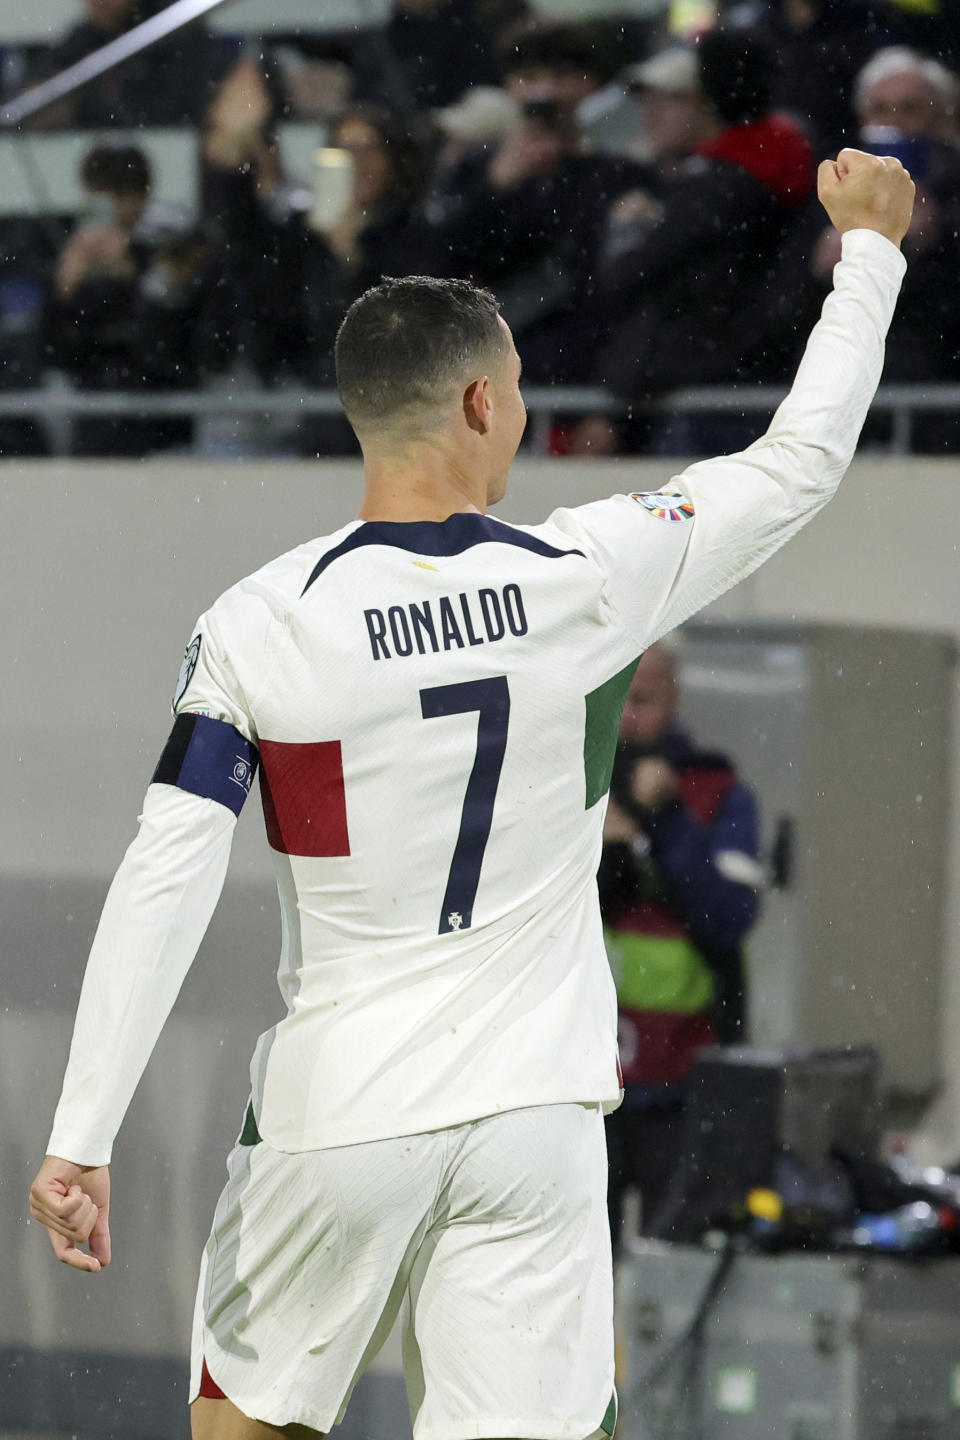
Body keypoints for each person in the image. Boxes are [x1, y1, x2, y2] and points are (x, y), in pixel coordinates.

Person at [30, 148, 913, 1440]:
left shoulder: (263, 622)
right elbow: (799, 463)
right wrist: (872, 254)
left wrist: (81, 1131)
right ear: (486, 403)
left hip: (339, 1110)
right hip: (533, 1122)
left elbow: (168, 873)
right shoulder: (588, 575)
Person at [599, 644, 762, 1248]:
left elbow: (729, 915)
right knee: (580, 1280)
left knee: (684, 1275)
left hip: (689, 1083)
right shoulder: (579, 786)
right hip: (592, 1084)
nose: (627, 716)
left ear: (674, 699)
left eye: (642, 699)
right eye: (617, 699)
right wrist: (607, 850)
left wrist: (664, 821)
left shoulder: (718, 791)